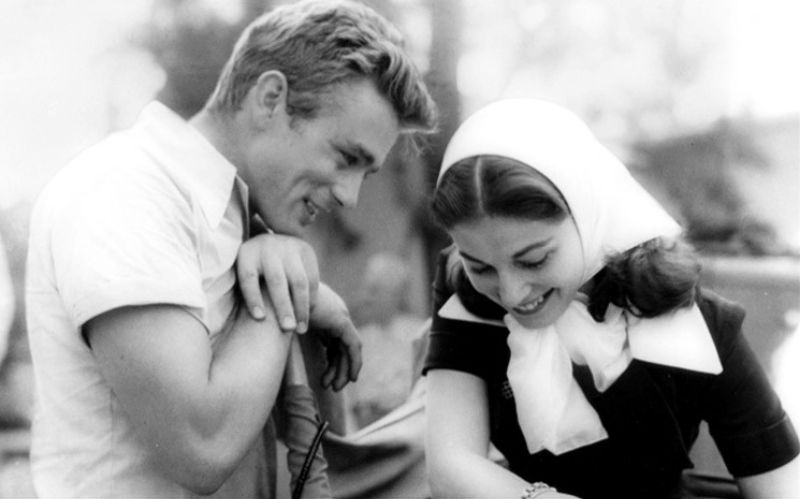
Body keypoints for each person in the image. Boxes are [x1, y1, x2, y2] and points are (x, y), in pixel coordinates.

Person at [24, 1, 436, 497]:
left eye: (365, 174)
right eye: (345, 157)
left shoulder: (238, 217)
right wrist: (284, 289)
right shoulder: (125, 191)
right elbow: (202, 445)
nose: (350, 196)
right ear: (270, 99)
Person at [423, 99, 799, 499]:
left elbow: (781, 485)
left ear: (589, 215)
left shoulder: (698, 326)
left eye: (534, 260)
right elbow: (451, 466)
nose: (511, 292)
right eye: (480, 267)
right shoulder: (468, 304)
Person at [347, 252, 426, 428]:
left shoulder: (420, 333)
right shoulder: (358, 339)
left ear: (396, 293)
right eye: (366, 289)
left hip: (409, 425)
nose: (366, 297)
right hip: (368, 429)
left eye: (374, 290)